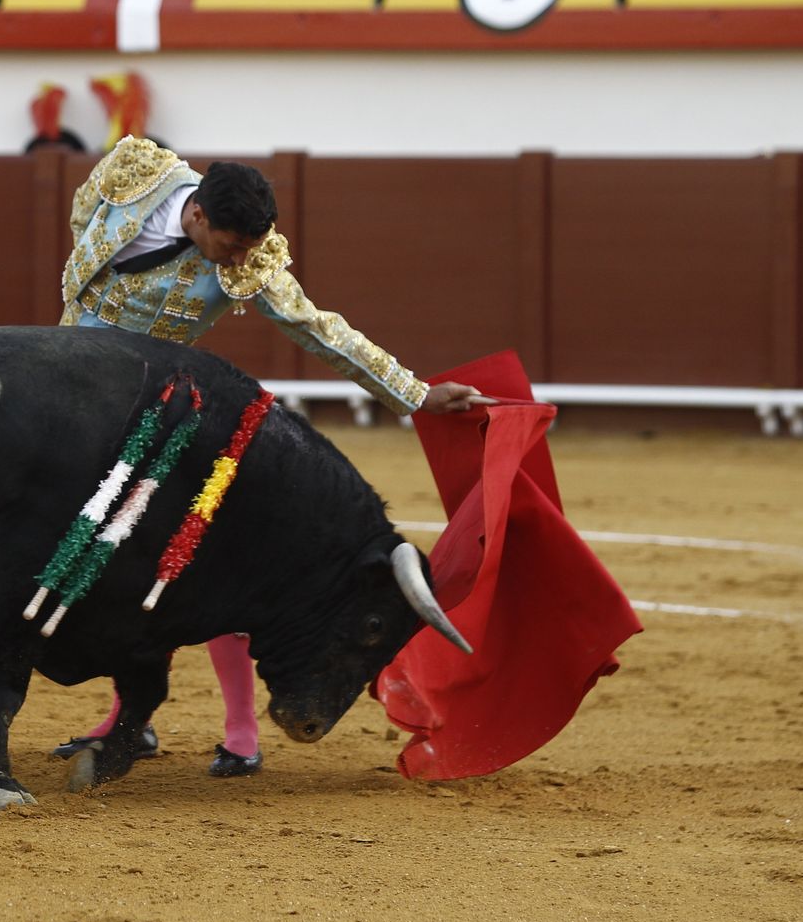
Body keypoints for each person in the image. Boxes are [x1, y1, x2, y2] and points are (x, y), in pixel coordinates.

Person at [50, 135, 480, 778]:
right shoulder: (133, 171)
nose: (242, 261)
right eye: (231, 246)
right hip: (67, 401)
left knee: (202, 561)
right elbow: (84, 222)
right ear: (197, 214)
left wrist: (414, 394)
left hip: (154, 413)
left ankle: (241, 732)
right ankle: (130, 717)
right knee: (118, 568)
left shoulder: (251, 260)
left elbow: (317, 327)